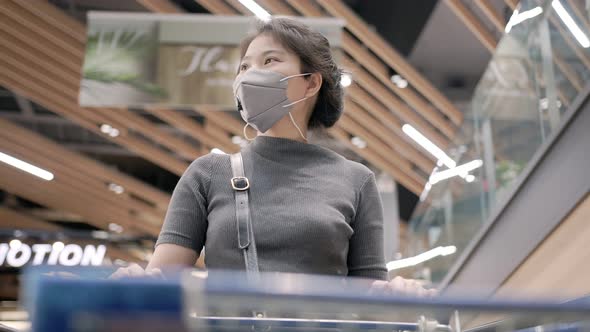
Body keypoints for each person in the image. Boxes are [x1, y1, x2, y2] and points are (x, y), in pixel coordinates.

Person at [112, 18, 435, 297]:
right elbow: (161, 280)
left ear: (310, 83)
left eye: (270, 61)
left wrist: (402, 291)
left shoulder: (356, 180)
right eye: (244, 66)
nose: (250, 74)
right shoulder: (208, 174)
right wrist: (133, 279)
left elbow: (371, 295)